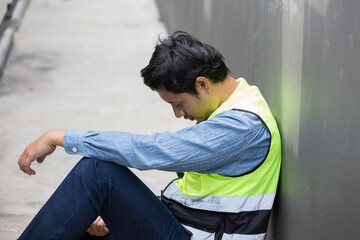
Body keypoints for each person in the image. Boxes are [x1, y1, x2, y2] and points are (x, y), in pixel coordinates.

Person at [17, 31, 281, 240]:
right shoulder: (235, 106)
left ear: (202, 84)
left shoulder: (242, 128)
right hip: (186, 226)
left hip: (195, 235)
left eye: (178, 103)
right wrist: (115, 216)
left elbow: (152, 150)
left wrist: (60, 137)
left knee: (97, 173)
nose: (178, 114)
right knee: (74, 226)